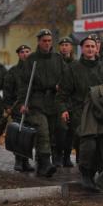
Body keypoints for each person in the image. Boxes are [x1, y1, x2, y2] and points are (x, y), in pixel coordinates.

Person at [56, 34, 103, 191]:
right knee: (88, 144)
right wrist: (63, 110)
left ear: (97, 48)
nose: (90, 49)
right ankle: (86, 174)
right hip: (80, 112)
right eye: (87, 46)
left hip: (101, 112)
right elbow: (62, 94)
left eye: (92, 46)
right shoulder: (73, 69)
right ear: (82, 49)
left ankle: (100, 174)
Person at [18, 29, 65, 177]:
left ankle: (41, 163)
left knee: (50, 133)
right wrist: (22, 103)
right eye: (44, 40)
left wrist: (62, 86)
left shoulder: (57, 58)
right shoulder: (32, 59)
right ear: (39, 41)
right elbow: (24, 84)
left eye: (49, 41)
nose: (47, 43)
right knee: (43, 130)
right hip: (36, 101)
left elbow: (66, 76)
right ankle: (45, 163)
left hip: (54, 101)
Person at [3, 44, 35, 172]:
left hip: (32, 108)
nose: (25, 54)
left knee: (29, 135)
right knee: (19, 133)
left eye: (27, 51)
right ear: (18, 54)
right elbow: (7, 91)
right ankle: (18, 160)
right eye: (22, 52)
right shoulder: (13, 72)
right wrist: (8, 106)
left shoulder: (35, 69)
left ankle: (26, 161)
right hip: (17, 107)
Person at [54, 36, 76, 168]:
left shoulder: (75, 63)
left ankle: (67, 156)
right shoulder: (55, 61)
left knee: (71, 131)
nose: (64, 47)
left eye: (67, 45)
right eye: (62, 45)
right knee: (60, 129)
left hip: (72, 100)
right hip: (59, 100)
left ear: (71, 47)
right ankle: (57, 155)